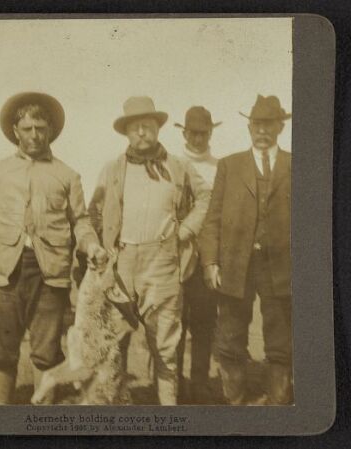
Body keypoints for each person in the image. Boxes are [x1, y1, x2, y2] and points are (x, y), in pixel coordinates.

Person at [0, 92, 106, 405]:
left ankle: (41, 427)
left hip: (49, 275)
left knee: (46, 352)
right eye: (27, 129)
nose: (35, 135)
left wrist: (91, 244)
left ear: (50, 129)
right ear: (15, 131)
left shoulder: (67, 175)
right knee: (0, 353)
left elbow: (81, 221)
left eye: (40, 128)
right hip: (3, 273)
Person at [88, 96, 210, 405]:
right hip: (122, 265)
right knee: (115, 344)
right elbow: (94, 212)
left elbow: (207, 197)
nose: (142, 132)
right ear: (126, 133)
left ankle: (168, 416)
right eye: (135, 128)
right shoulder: (112, 169)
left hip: (163, 263)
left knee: (166, 346)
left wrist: (186, 230)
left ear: (158, 128)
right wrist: (103, 248)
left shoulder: (178, 166)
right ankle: (118, 414)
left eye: (148, 126)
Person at [199, 95, 293, 405]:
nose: (261, 131)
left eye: (268, 124)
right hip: (236, 264)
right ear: (249, 127)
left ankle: (279, 406)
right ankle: (235, 406)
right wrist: (211, 262)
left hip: (280, 266)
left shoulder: (296, 164)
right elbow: (212, 219)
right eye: (256, 124)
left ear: (280, 127)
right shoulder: (230, 165)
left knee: (280, 339)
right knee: (230, 336)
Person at [173, 106, 221, 403]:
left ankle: (200, 383)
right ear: (184, 133)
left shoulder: (220, 166)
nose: (198, 138)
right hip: (177, 255)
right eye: (193, 133)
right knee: (174, 322)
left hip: (209, 256)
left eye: (204, 133)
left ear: (211, 133)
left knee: (204, 322)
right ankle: (173, 383)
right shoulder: (172, 163)